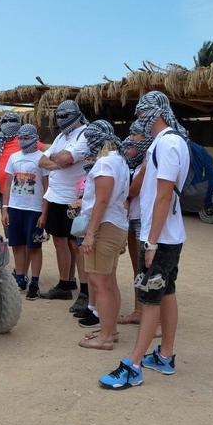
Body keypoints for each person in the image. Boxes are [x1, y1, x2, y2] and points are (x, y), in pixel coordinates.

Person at [99, 91, 190, 390]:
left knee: (150, 298)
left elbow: (164, 195)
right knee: (166, 293)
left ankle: (133, 366)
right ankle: (165, 356)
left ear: (156, 113)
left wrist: (150, 242)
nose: (139, 119)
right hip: (165, 235)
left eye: (141, 114)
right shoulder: (167, 142)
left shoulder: (168, 143)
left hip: (160, 237)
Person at [75, 121, 129, 349]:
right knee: (109, 281)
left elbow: (102, 201)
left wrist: (90, 233)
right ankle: (110, 329)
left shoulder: (105, 164)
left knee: (99, 283)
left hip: (105, 226)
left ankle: (105, 337)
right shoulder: (119, 161)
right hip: (115, 224)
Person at [37, 100, 91, 301]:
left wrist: (60, 159)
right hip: (55, 196)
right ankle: (65, 284)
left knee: (76, 244)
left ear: (76, 114)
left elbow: (67, 157)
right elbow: (42, 160)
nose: (61, 120)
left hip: (74, 199)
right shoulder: (62, 136)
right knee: (60, 241)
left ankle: (85, 291)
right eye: (58, 115)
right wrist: (60, 162)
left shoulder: (85, 134)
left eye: (65, 115)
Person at [1, 124, 49, 300]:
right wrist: (5, 209)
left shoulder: (42, 158)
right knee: (17, 244)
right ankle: (20, 277)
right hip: (15, 207)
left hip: (34, 209)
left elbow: (46, 185)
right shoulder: (13, 157)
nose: (22, 141)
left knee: (34, 246)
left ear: (35, 138)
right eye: (20, 138)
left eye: (26, 138)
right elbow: (7, 184)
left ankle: (34, 282)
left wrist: (44, 212)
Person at [116, 123, 155, 328]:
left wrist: (146, 166)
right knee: (137, 268)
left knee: (149, 270)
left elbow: (132, 191)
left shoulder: (151, 162)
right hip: (133, 218)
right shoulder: (136, 163)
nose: (130, 138)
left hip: (145, 220)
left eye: (135, 134)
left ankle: (155, 321)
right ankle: (139, 312)